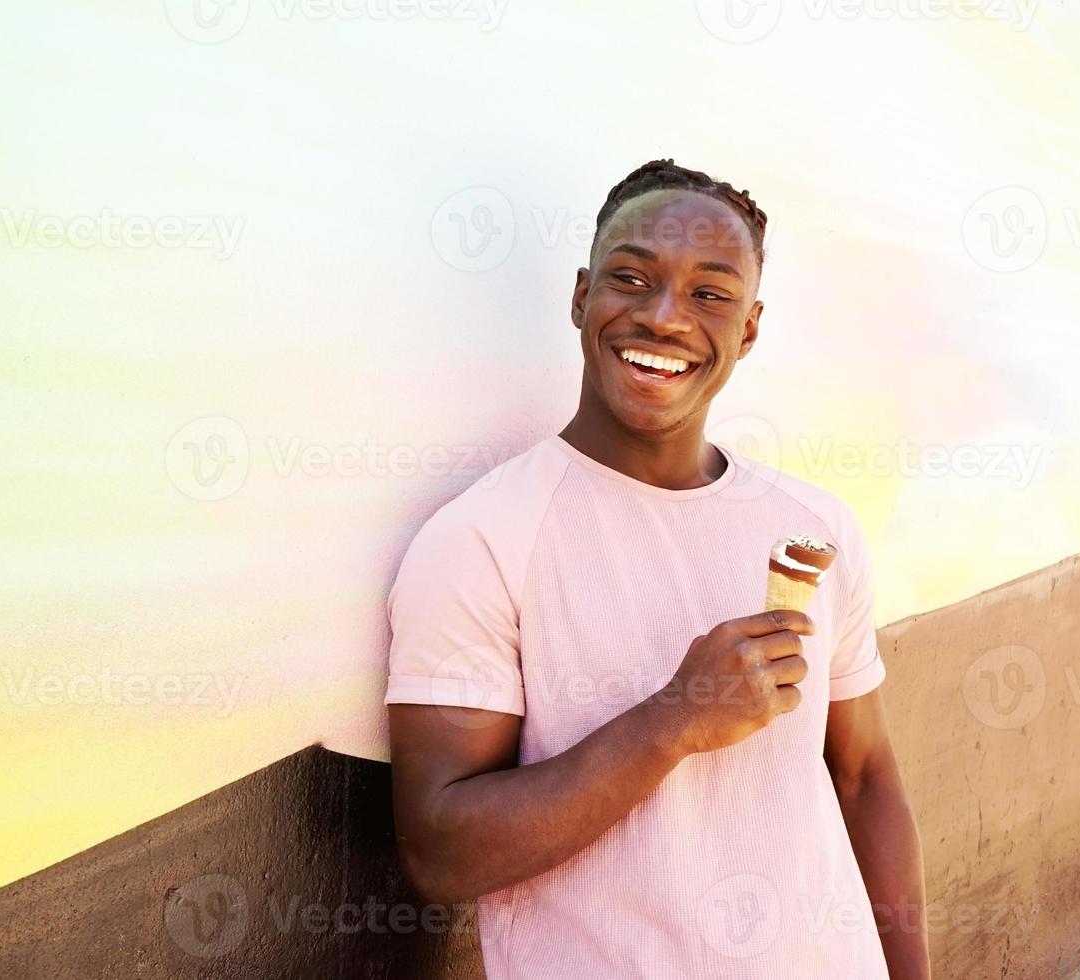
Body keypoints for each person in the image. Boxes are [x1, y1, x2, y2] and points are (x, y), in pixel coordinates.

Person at [384, 159, 930, 979]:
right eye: (631, 278)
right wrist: (673, 720)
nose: (665, 316)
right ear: (581, 298)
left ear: (748, 329)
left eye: (710, 292)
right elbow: (441, 854)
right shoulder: (483, 540)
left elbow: (863, 777)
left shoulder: (815, 530)